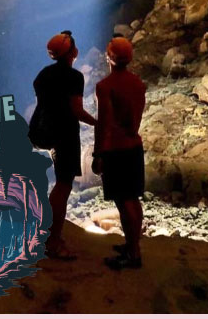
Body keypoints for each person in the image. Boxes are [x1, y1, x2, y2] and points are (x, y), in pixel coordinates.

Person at [33, 30, 97, 260]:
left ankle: (46, 234)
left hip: (46, 133)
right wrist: (97, 122)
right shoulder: (74, 77)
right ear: (72, 52)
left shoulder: (43, 75)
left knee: (59, 185)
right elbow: (76, 110)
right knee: (62, 186)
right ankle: (53, 241)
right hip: (65, 134)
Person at [93, 36, 147, 270]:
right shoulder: (138, 83)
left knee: (124, 204)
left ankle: (133, 254)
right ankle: (132, 244)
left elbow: (103, 123)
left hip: (116, 150)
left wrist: (98, 155)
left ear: (109, 58)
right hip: (134, 146)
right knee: (132, 200)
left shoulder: (105, 87)